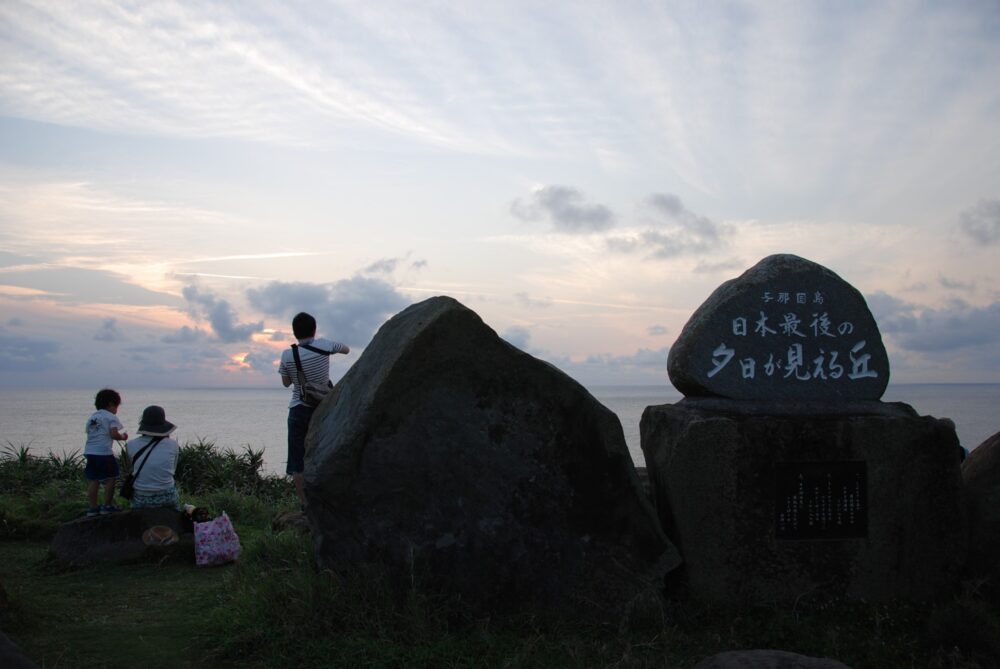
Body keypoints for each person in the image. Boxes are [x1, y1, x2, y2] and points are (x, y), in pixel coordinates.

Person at [278, 312, 350, 508]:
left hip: (298, 409)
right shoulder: (325, 345)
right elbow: (346, 349)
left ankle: (306, 506)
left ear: (294, 333)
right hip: (323, 407)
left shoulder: (287, 354)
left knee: (297, 461)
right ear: (314, 329)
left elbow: (286, 383)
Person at [125, 405, 181, 510]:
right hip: (167, 495)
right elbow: (173, 469)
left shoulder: (130, 444)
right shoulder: (173, 444)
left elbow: (133, 468)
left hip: (141, 497)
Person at [84, 388, 129, 516]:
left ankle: (93, 508)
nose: (116, 409)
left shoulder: (92, 418)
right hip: (104, 453)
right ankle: (107, 506)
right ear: (110, 404)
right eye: (116, 406)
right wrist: (123, 437)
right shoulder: (110, 417)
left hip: (90, 452)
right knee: (111, 478)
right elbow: (114, 434)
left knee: (94, 480)